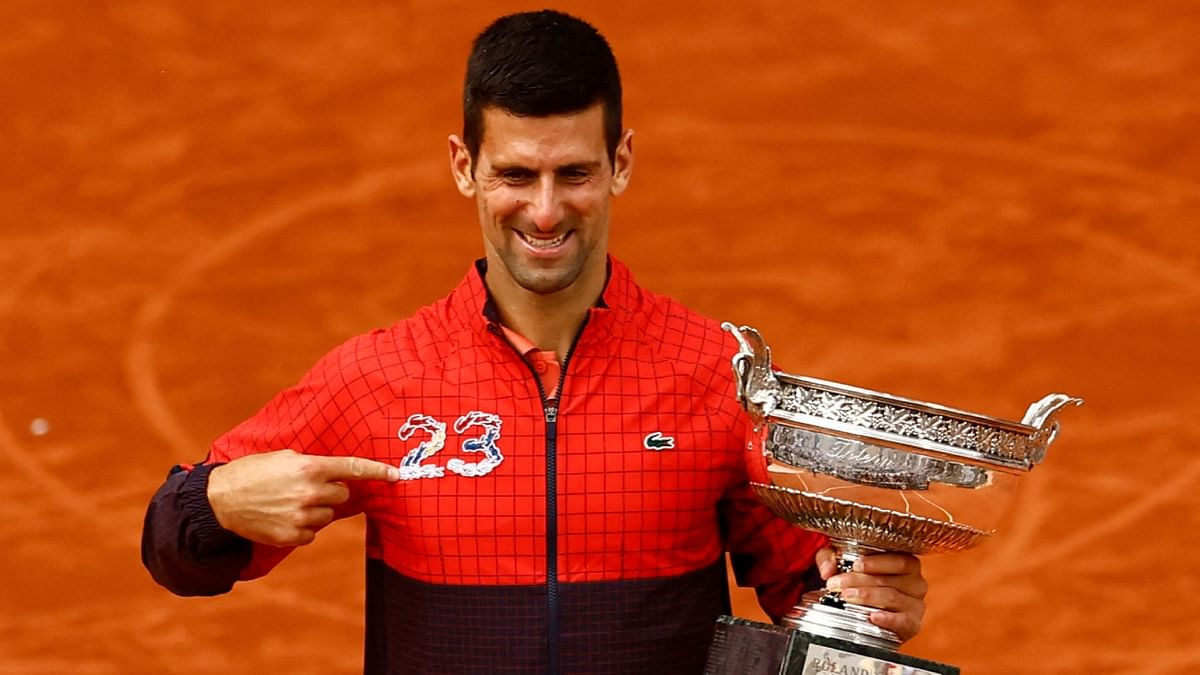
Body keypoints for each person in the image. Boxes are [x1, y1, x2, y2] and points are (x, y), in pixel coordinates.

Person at [141, 9, 927, 674]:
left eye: (574, 173)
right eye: (516, 174)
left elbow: (810, 589)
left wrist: (869, 599)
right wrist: (217, 501)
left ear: (620, 163)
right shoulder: (381, 378)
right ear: (464, 166)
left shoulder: (715, 375)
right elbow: (174, 551)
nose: (546, 212)